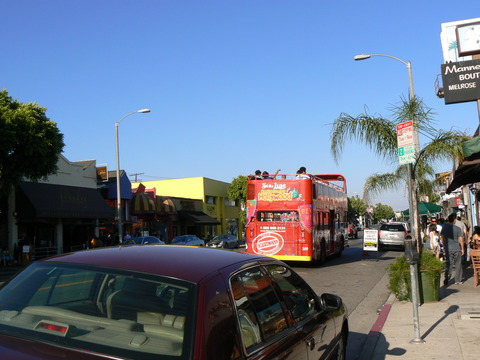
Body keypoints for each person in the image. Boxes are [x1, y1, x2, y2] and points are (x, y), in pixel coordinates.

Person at [440, 213, 465, 285]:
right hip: (457, 248)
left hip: (448, 248)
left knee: (449, 264)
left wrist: (444, 245)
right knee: (458, 264)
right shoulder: (457, 228)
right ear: (454, 220)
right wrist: (462, 249)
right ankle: (458, 280)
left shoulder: (444, 227)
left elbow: (442, 237)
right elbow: (461, 239)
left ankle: (448, 275)